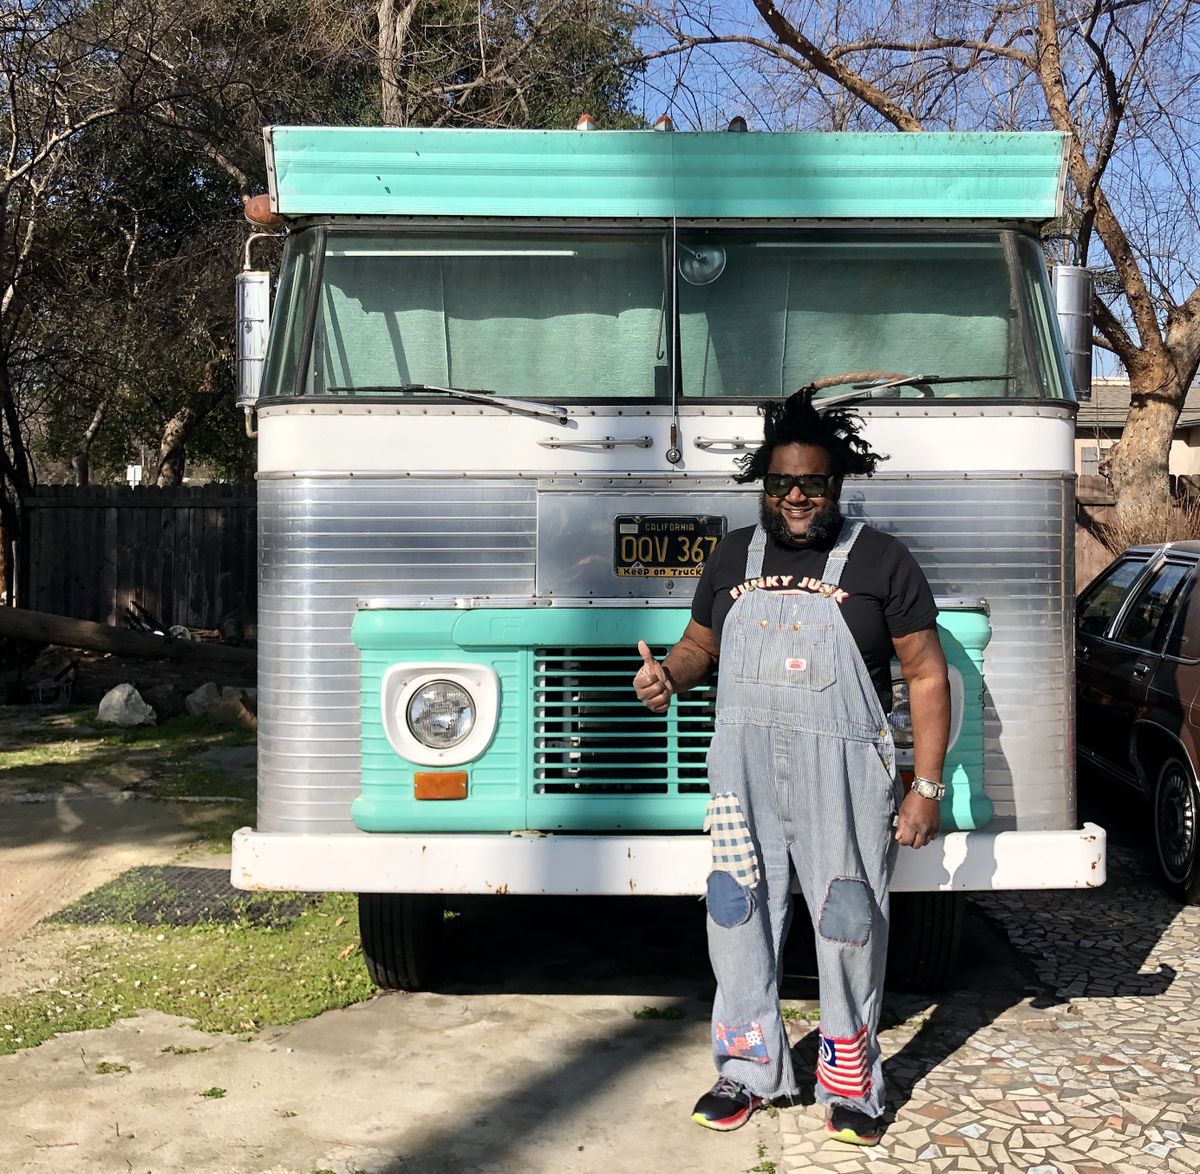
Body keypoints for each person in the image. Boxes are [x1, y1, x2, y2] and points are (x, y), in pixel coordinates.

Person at [632, 386, 950, 1146]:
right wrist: (669, 677)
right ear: (764, 487)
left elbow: (927, 675)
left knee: (847, 921)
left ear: (836, 485)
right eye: (782, 484)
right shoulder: (731, 554)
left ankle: (851, 1081)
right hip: (741, 775)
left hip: (842, 777)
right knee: (736, 912)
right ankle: (745, 1068)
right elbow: (701, 645)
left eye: (813, 483)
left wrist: (925, 788)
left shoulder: (881, 559)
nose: (798, 496)